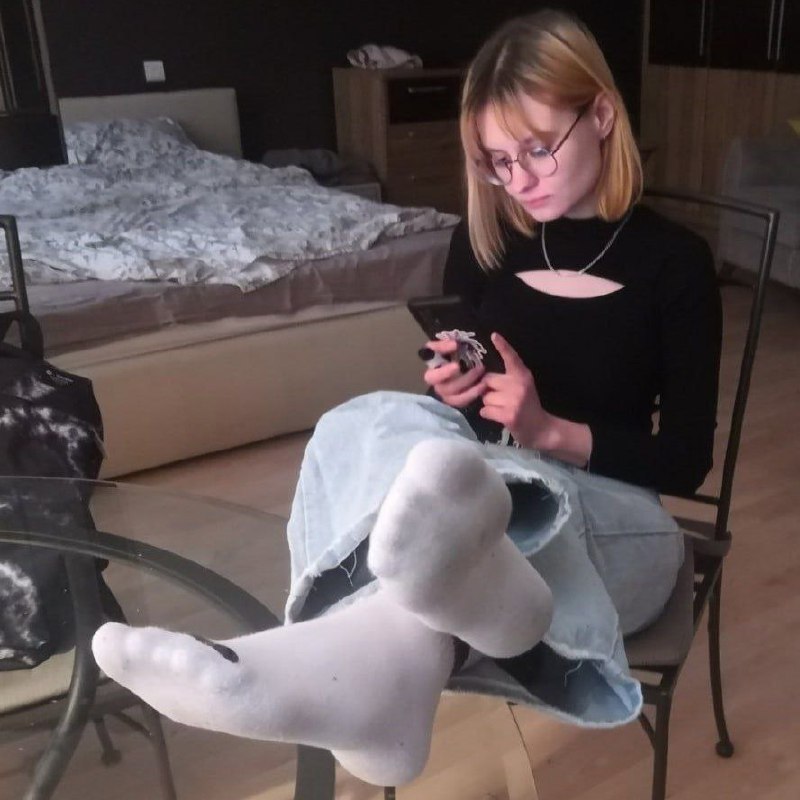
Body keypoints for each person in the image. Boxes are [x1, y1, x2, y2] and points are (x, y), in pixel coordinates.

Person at [91, 9, 722, 788]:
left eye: (536, 149)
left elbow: (686, 461)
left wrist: (549, 430)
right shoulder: (486, 243)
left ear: (600, 114)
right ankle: (416, 650)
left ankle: (347, 673)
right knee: (367, 419)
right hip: (480, 510)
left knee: (466, 517)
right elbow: (454, 434)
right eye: (497, 161)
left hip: (619, 527)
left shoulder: (676, 263)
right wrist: (454, 389)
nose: (519, 180)